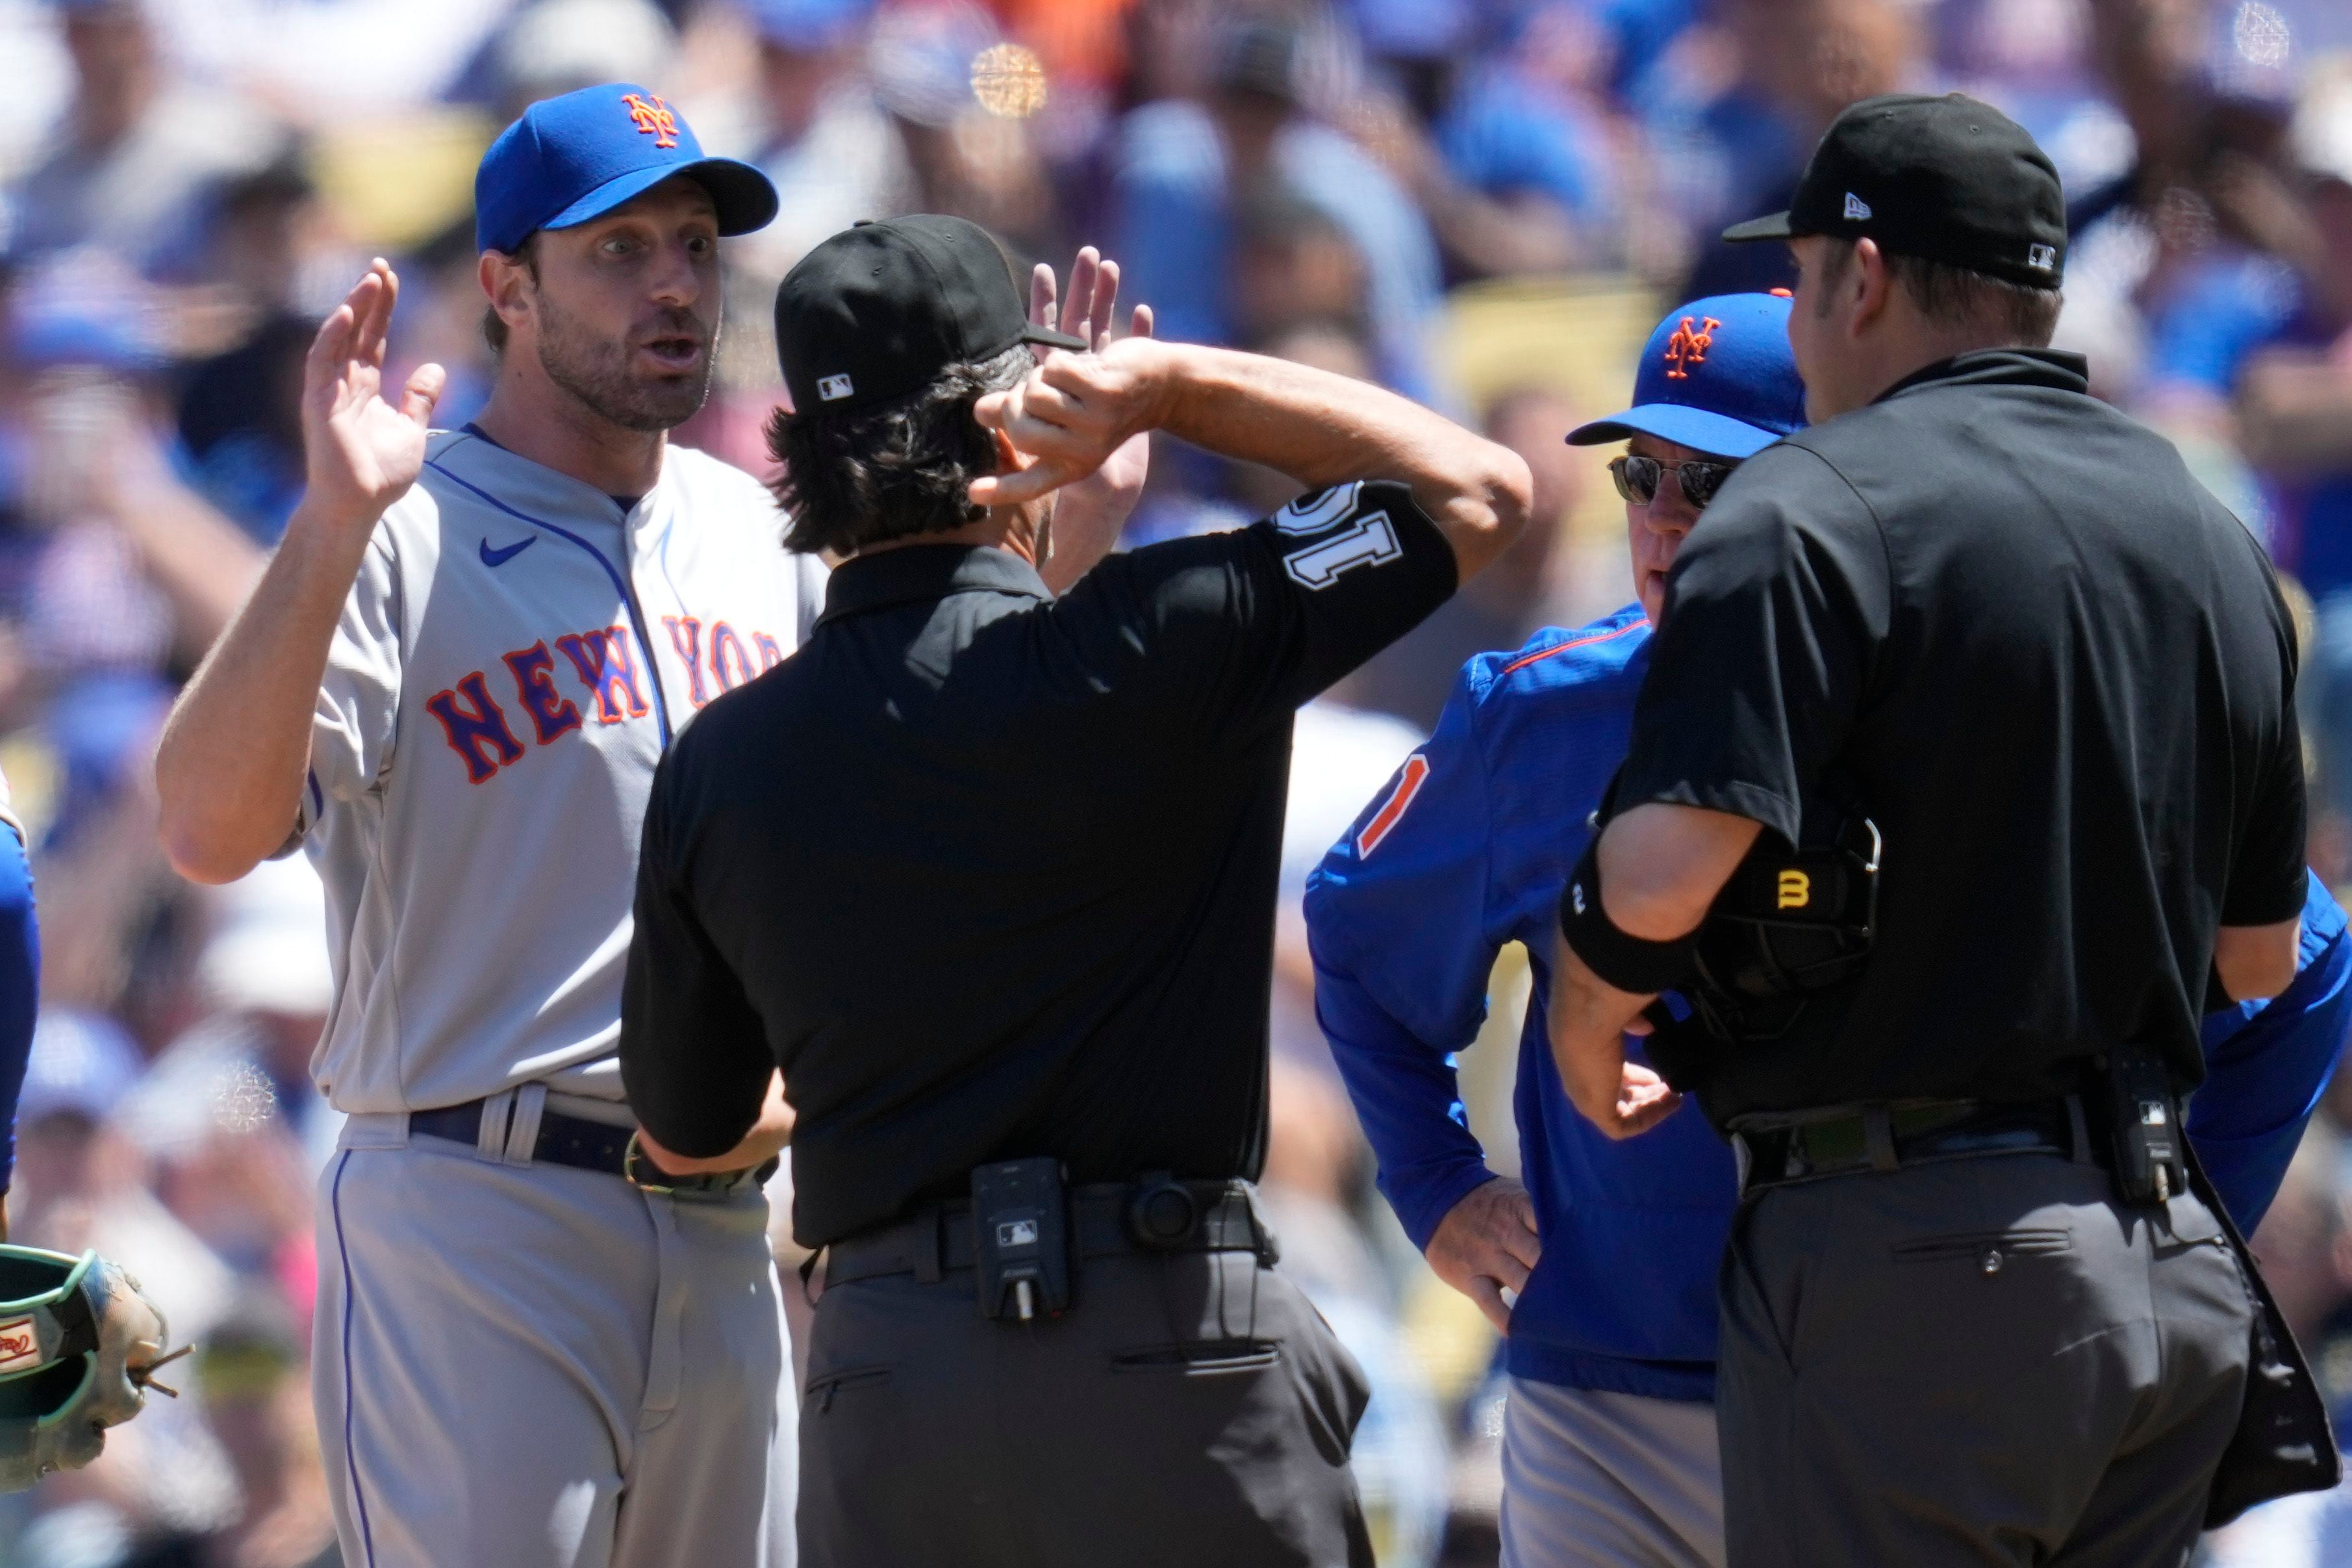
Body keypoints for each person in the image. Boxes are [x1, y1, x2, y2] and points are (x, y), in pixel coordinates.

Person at [1308, 291, 2352, 1568]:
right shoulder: (1543, 713)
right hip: (1613, 1384)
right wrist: (1435, 1187)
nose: (1665, 518)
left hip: (1900, 1377)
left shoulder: (1981, 708)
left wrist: (2178, 1213)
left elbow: (2299, 967)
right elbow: (1355, 942)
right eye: (1642, 472)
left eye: (1717, 478)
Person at [616, 212, 1530, 1567]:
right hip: (1170, 1347)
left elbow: (689, 1131)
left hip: (890, 1371)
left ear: (798, 452)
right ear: (1026, 413)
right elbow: (1476, 489)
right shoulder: (1171, 629)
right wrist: (1170, 388)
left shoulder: (724, 759)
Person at [1543, 93, 2325, 1566]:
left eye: (1801, 268)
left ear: (1864, 275)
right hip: (2159, 1271)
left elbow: (1657, 881)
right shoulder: (2202, 520)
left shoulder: (1803, 508)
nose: (1794, 300)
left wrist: (1587, 1009)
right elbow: (2261, 953)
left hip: (1911, 1272)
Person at [152, 82, 839, 1568]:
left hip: (726, 1224)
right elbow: (205, 827)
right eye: (618, 249)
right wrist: (329, 522)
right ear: (506, 290)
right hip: (479, 1204)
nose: (674, 283)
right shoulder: (395, 523)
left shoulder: (755, 533)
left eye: (694, 245)